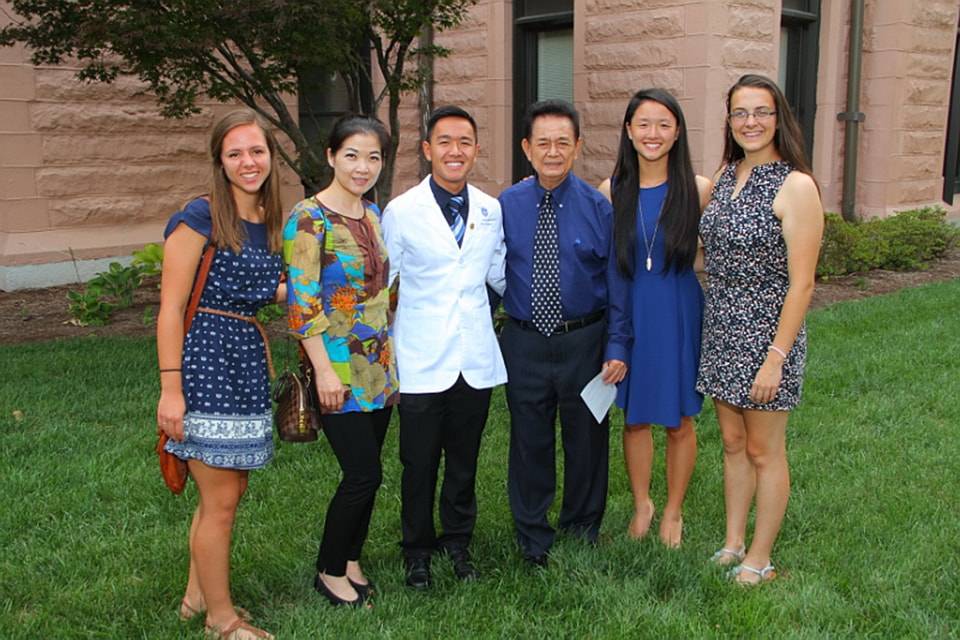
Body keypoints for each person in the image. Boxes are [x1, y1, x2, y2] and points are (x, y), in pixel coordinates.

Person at [157, 109, 283, 640]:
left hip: (247, 362)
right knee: (222, 500)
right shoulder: (200, 218)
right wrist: (171, 390)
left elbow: (270, 291)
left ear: (271, 157)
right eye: (235, 153)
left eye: (256, 151)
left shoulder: (272, 220)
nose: (247, 162)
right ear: (220, 161)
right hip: (207, 359)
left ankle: (194, 597)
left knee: (231, 492)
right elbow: (169, 308)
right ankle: (222, 620)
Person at [697, 74, 823, 585]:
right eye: (740, 113)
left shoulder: (796, 185)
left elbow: (804, 284)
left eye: (761, 112)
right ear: (728, 121)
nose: (751, 122)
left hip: (768, 337)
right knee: (731, 443)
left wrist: (776, 356)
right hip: (722, 329)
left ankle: (761, 558)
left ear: (779, 118)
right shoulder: (726, 177)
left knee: (763, 450)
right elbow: (710, 253)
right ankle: (733, 542)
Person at [499, 99, 631, 566]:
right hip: (525, 341)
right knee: (529, 438)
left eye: (562, 142)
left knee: (587, 439)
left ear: (577, 146)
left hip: (585, 340)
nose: (552, 152)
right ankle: (533, 534)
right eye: (542, 143)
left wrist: (617, 345)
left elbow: (618, 281)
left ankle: (582, 528)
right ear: (526, 149)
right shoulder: (506, 207)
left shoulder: (599, 208)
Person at [381, 105, 506, 589]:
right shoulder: (402, 211)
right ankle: (417, 549)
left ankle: (458, 541)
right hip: (419, 358)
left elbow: (498, 273)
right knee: (418, 461)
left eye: (465, 142)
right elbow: (384, 283)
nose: (456, 151)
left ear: (475, 151)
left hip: (473, 358)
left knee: (464, 459)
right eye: (446, 142)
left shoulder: (490, 210)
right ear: (428, 149)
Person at [285, 115, 399, 606]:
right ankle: (330, 569)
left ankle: (352, 558)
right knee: (362, 474)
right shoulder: (309, 218)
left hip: (379, 367)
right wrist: (324, 370)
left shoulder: (371, 214)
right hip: (337, 370)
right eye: (352, 155)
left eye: (373, 157)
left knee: (370, 470)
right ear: (331, 156)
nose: (363, 166)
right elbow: (302, 301)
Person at [598, 88, 712, 548]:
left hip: (679, 311)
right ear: (628, 130)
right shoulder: (610, 192)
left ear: (678, 131)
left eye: (664, 124)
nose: (653, 133)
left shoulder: (699, 189)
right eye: (643, 124)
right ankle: (642, 503)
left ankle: (674, 510)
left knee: (680, 418)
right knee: (636, 417)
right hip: (633, 312)